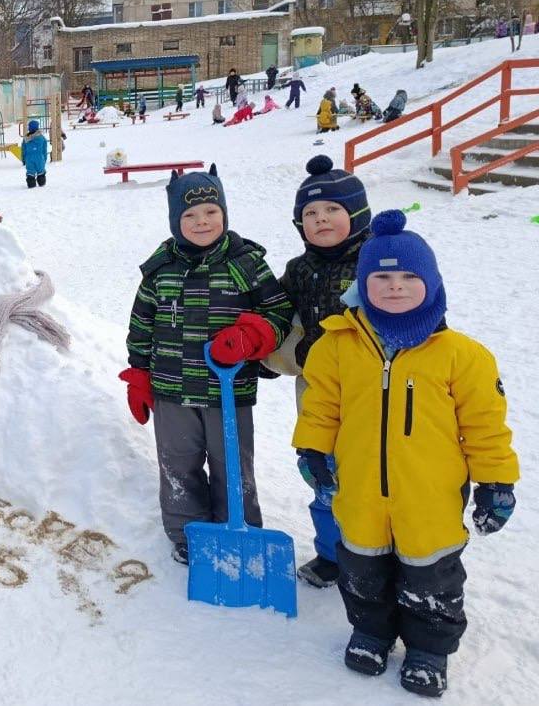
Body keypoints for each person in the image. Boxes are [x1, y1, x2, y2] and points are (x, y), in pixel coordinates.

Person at [293, 211, 518, 698]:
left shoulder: (462, 355)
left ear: (431, 282)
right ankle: (371, 631)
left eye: (409, 277)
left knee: (431, 572)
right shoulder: (335, 347)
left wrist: (497, 482)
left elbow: (485, 426)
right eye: (382, 277)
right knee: (362, 567)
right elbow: (321, 407)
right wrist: (311, 448)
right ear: (363, 284)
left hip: (430, 497)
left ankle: (429, 647)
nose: (395, 287)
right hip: (359, 491)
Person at [120, 165, 293, 564]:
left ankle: (241, 531)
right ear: (175, 221)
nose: (202, 222)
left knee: (232, 465)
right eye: (190, 216)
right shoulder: (160, 268)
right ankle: (187, 532)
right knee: (178, 465)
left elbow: (279, 313)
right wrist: (139, 375)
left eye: (211, 213)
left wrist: (252, 336)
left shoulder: (246, 262)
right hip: (171, 389)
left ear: (225, 213)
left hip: (228, 391)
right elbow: (142, 323)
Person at [265, 156, 371, 589]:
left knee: (373, 477)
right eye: (310, 213)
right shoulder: (299, 270)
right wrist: (267, 355)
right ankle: (332, 554)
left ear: (357, 214)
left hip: (371, 394)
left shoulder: (378, 263)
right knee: (322, 473)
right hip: (315, 392)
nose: (321, 219)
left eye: (332, 210)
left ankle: (379, 556)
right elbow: (278, 317)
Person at [22, 119, 48, 188]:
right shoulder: (42, 138)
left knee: (30, 172)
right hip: (39, 158)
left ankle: (31, 184)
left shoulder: (26, 139)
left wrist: (23, 159)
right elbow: (44, 150)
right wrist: (44, 158)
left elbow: (23, 150)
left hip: (29, 159)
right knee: (41, 171)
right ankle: (41, 183)